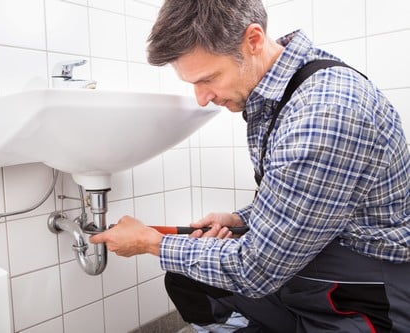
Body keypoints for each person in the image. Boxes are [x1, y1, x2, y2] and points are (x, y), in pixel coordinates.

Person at [90, 0, 410, 332]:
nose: (202, 98)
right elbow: (303, 199)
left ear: (253, 40)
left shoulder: (322, 115)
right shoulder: (291, 90)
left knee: (201, 265)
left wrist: (149, 242)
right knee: (189, 280)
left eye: (208, 78)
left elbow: (255, 271)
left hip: (361, 296)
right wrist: (241, 218)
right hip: (309, 272)